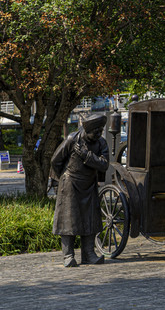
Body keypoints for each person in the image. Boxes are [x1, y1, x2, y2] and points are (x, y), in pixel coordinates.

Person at [51, 114, 109, 267]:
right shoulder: (72, 139)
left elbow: (104, 165)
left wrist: (86, 155)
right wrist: (63, 179)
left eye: (100, 131)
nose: (98, 134)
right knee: (69, 220)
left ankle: (89, 254)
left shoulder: (101, 143)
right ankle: (68, 255)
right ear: (87, 129)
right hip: (70, 183)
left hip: (89, 185)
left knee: (89, 220)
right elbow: (55, 160)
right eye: (95, 131)